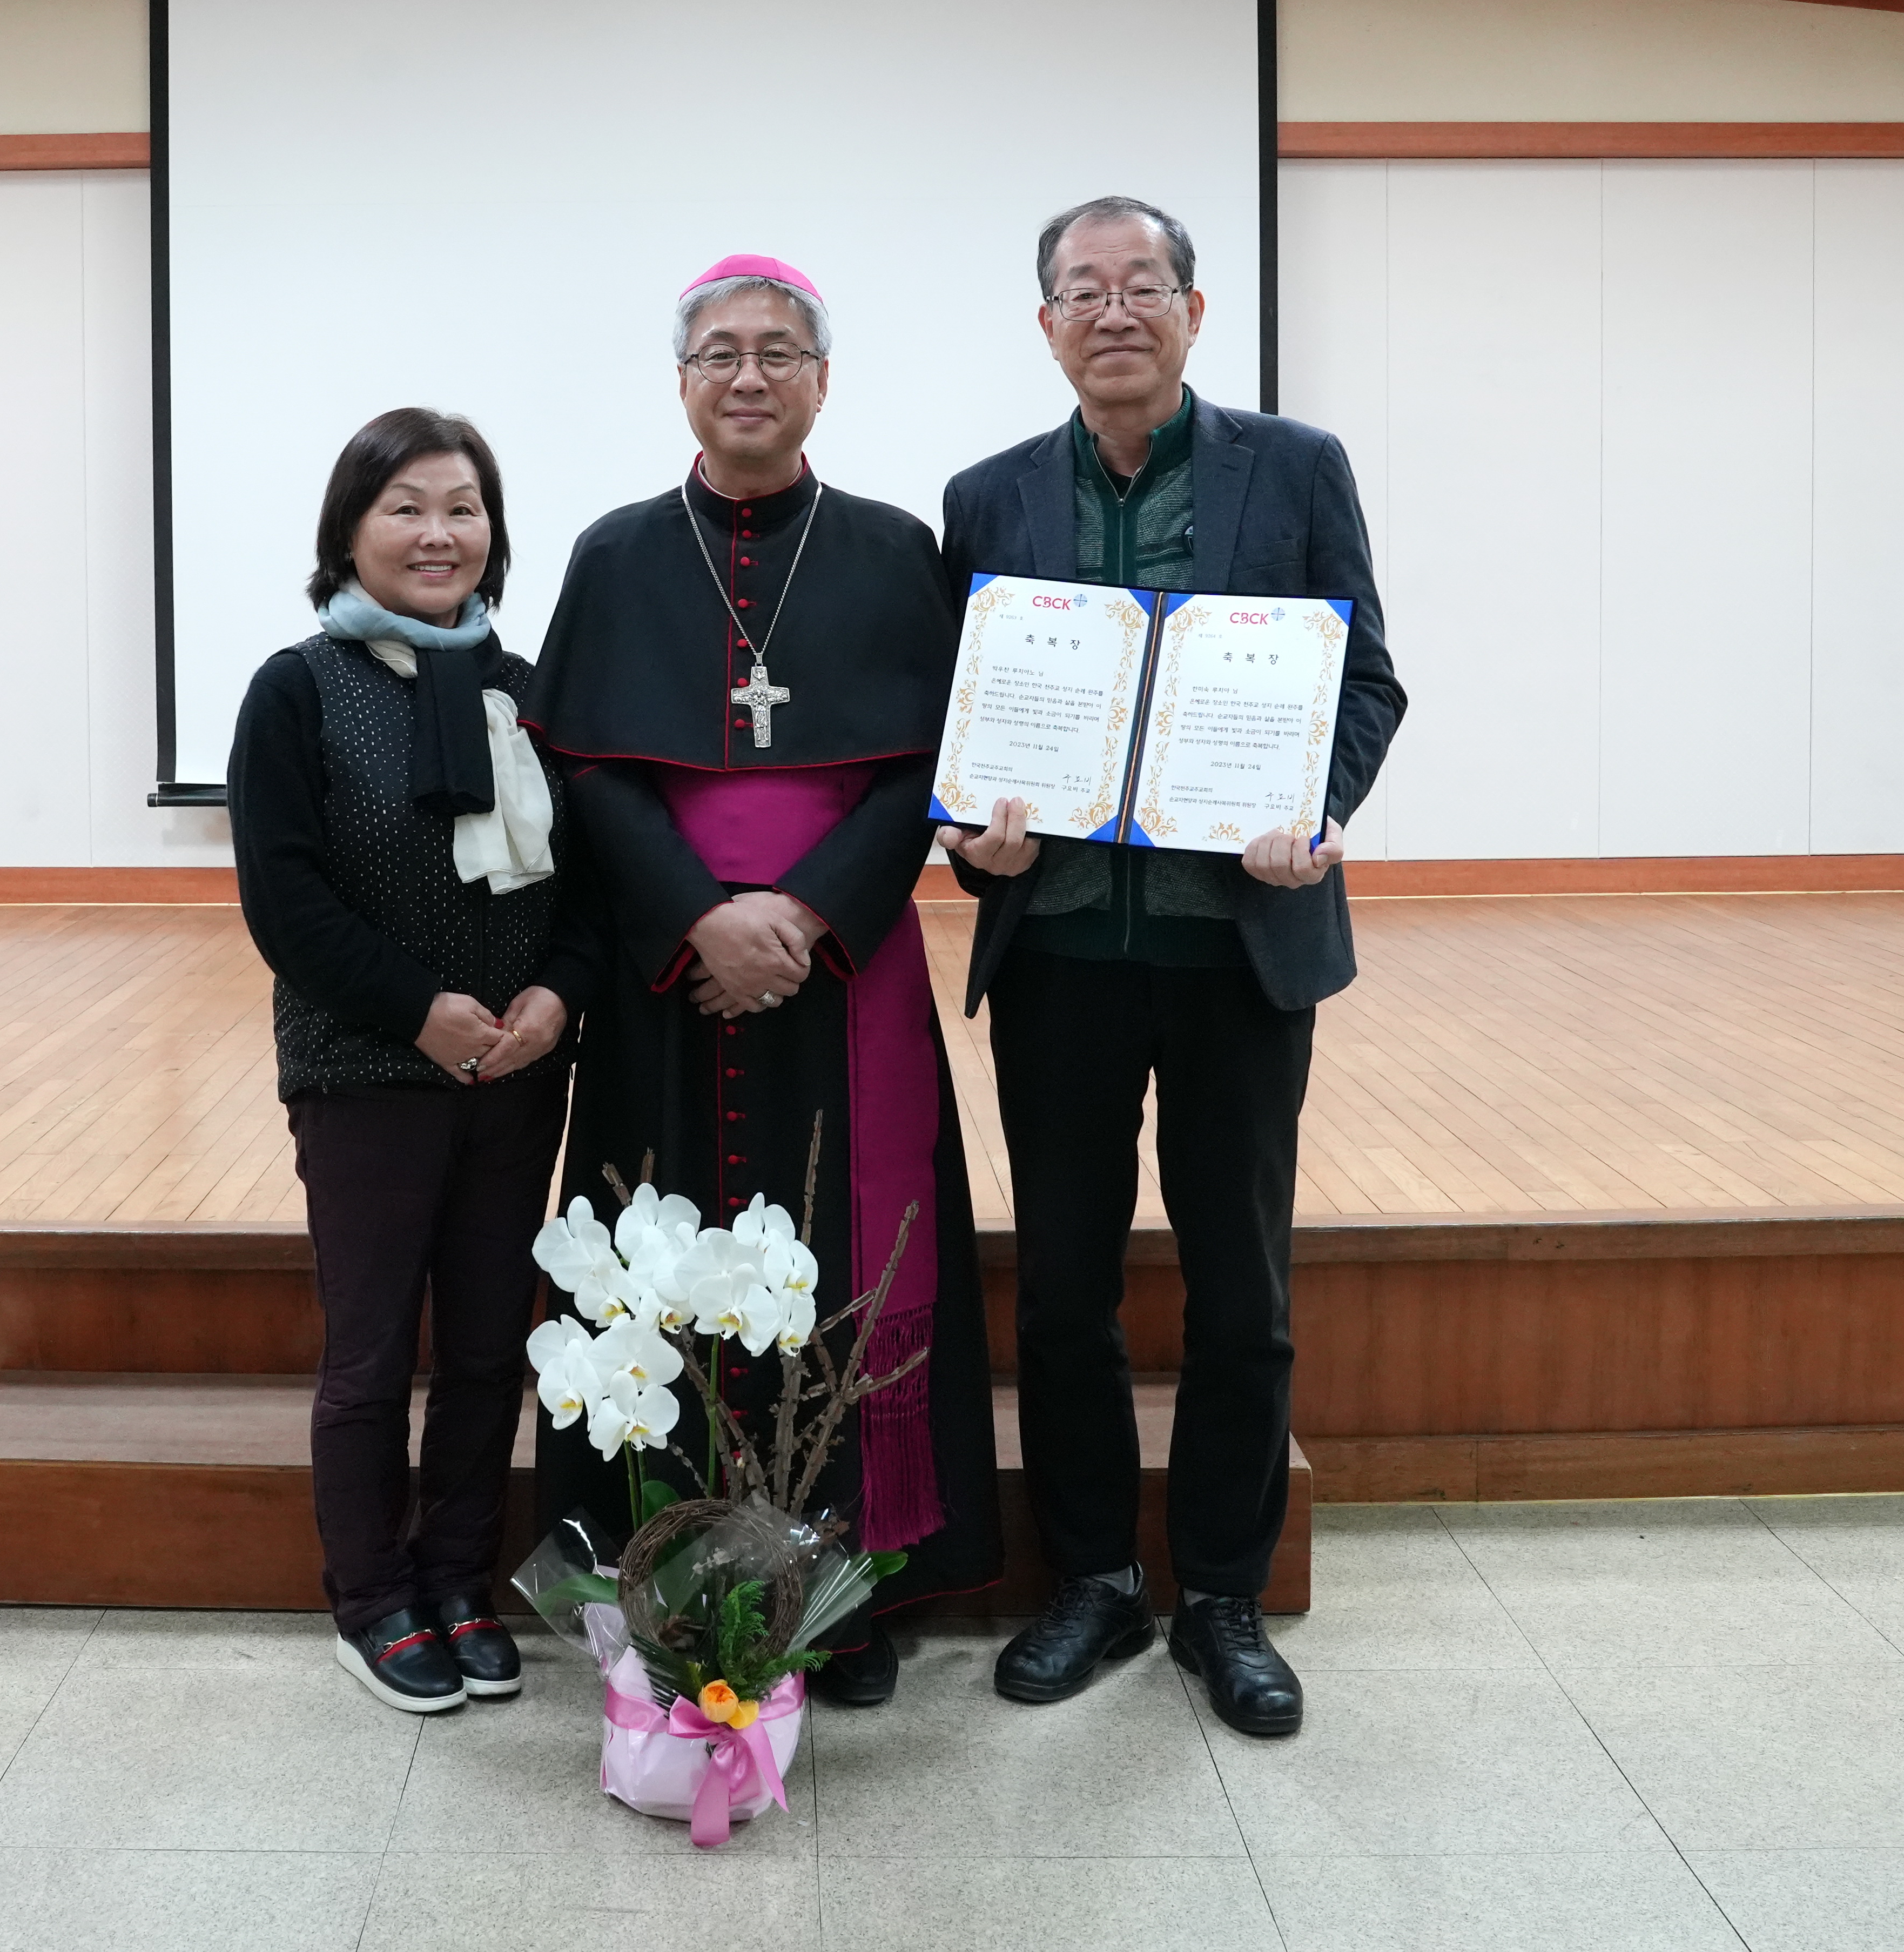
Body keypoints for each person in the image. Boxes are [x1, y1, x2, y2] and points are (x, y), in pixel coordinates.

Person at [937, 196, 1404, 1740]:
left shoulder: (1297, 468)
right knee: (1064, 1288)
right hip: (1063, 947)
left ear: (1196, 315)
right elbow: (972, 718)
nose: (1115, 310)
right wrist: (971, 845)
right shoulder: (990, 497)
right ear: (1049, 325)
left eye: (1145, 286)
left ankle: (1222, 1594)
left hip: (1236, 949)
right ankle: (1090, 1581)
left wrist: (1310, 810)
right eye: (1085, 289)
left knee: (1243, 1289)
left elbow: (1368, 680)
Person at [522, 254, 1005, 1702]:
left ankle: (840, 1599)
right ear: (683, 381)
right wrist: (697, 919)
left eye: (780, 351)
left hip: (839, 972)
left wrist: (799, 913)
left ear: (822, 380)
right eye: (722, 352)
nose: (750, 374)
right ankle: (665, 1591)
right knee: (651, 1259)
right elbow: (586, 765)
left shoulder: (889, 548)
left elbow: (925, 759)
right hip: (669, 976)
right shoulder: (616, 554)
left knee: (854, 1260)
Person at [228, 407, 588, 1715]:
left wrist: (554, 994)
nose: (440, 533)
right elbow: (286, 898)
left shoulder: (527, 686)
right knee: (374, 1352)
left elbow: (584, 880)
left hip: (517, 1066)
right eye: (407, 508)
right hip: (365, 1065)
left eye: (464, 507)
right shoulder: (297, 686)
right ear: (350, 532)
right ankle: (373, 1597)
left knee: (493, 1345)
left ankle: (458, 1576)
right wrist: (418, 1008)